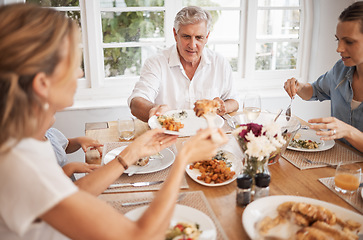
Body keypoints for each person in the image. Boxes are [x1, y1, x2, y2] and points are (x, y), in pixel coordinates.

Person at [0, 4, 227, 240]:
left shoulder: (22, 142)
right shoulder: (20, 164)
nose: (79, 73)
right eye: (71, 64)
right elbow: (138, 236)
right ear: (42, 84)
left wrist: (132, 152)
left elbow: (70, 193)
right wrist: (183, 159)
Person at [128, 6, 239, 122]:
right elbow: (136, 102)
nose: (192, 45)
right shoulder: (156, 63)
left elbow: (234, 101)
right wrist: (154, 110)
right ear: (175, 34)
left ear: (207, 37)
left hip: (207, 135)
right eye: (186, 36)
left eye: (199, 37)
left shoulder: (220, 63)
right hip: (167, 135)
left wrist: (223, 107)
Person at [284, 2, 363, 152]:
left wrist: (348, 131)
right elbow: (314, 91)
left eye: (349, 41)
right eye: (337, 39)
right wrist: (299, 87)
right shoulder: (341, 69)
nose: (339, 48)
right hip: (337, 163)